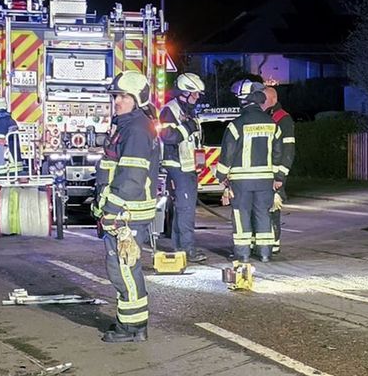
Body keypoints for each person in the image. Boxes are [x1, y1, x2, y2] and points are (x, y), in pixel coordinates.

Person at [93, 72, 159, 343]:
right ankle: (131, 324)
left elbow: (131, 177)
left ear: (137, 99)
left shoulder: (135, 129)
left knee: (124, 269)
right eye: (116, 96)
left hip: (126, 214)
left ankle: (132, 328)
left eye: (123, 96)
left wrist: (111, 210)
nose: (117, 101)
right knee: (124, 268)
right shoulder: (128, 125)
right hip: (124, 211)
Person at [217, 81, 286, 263]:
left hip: (241, 182)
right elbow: (279, 153)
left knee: (242, 214)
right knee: (263, 213)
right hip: (265, 181)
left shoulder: (236, 125)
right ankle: (264, 253)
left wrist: (222, 176)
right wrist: (277, 176)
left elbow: (228, 153)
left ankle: (243, 253)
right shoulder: (273, 125)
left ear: (244, 101)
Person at [159, 72, 206, 262]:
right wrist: (187, 127)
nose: (196, 97)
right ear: (183, 93)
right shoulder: (170, 110)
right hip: (177, 167)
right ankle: (188, 249)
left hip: (188, 167)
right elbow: (168, 136)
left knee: (183, 209)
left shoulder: (188, 111)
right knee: (186, 210)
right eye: (194, 93)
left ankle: (180, 247)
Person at [261, 86, 296, 257]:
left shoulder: (283, 119)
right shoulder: (267, 117)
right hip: (265, 173)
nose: (261, 103)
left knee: (273, 210)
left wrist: (280, 175)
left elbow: (289, 150)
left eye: (264, 99)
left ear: (273, 99)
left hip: (275, 175)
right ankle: (265, 243)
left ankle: (274, 243)